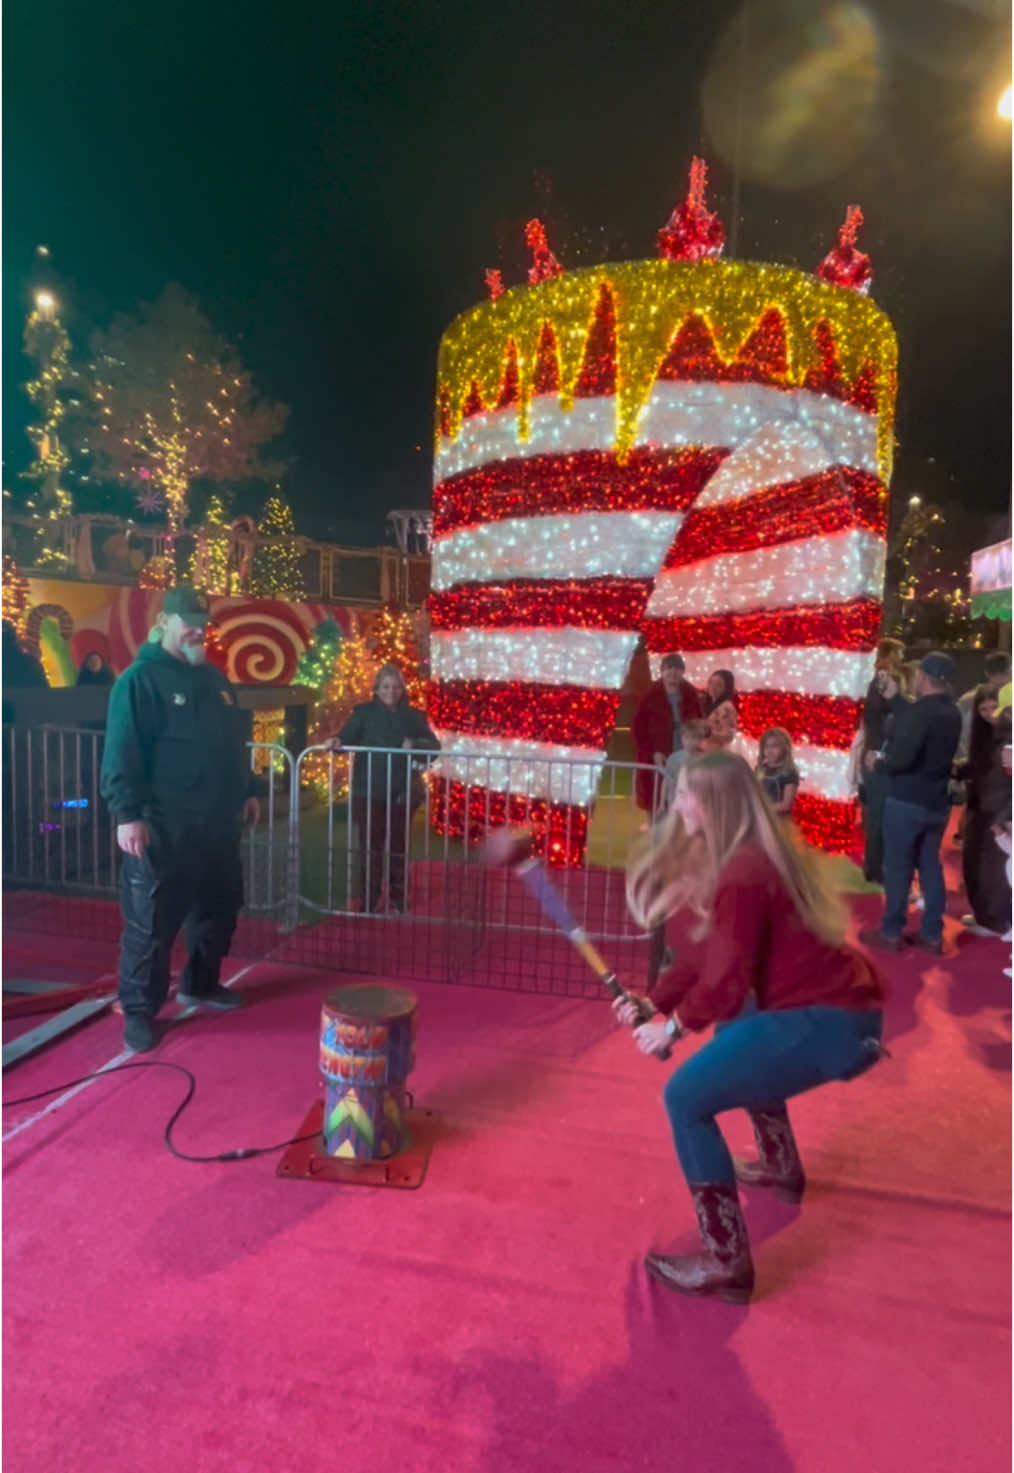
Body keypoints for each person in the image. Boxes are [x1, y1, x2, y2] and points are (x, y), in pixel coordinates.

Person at [615, 752, 884, 1304]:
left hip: (828, 1021)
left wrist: (672, 1030)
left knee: (686, 1098)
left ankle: (725, 1261)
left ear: (714, 802)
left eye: (688, 792)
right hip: (842, 1012)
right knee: (735, 1030)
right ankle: (781, 1166)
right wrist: (655, 1003)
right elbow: (706, 959)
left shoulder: (741, 870)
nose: (678, 801)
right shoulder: (742, 856)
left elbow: (728, 979)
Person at [100, 587, 262, 1053]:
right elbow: (121, 753)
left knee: (220, 908)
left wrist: (247, 791)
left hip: (217, 824)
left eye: (203, 621)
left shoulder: (215, 681)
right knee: (150, 925)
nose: (198, 629)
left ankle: (201, 983)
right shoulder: (139, 681)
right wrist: (127, 815)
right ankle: (139, 1011)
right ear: (165, 620)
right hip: (163, 826)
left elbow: (235, 746)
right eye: (189, 620)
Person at [859, 652, 962, 955]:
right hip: (936, 803)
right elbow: (919, 719)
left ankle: (891, 931)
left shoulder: (921, 714)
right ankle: (932, 934)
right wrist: (896, 698)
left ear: (922, 677)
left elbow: (902, 758)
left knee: (899, 868)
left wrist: (878, 763)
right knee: (930, 865)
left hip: (906, 801)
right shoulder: (951, 712)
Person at [330, 664, 439, 913]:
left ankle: (399, 899)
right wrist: (337, 742)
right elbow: (346, 736)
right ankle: (369, 900)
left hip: (402, 792)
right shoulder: (364, 714)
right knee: (370, 847)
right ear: (377, 689)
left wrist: (416, 743)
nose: (391, 691)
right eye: (386, 687)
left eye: (396, 686)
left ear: (402, 689)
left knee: (398, 847)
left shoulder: (413, 717)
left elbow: (434, 747)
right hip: (369, 791)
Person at [959, 687, 1013, 938]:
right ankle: (985, 913)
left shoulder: (1006, 738)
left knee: (996, 870)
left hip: (1000, 813)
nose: (991, 714)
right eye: (984, 710)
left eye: (995, 708)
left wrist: (1005, 817)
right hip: (982, 808)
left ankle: (996, 921)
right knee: (976, 864)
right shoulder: (989, 736)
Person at [858, 638, 909, 883]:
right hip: (879, 754)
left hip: (874, 751)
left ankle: (875, 866)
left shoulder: (874, 677)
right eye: (900, 653)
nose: (902, 658)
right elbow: (883, 718)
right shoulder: (883, 678)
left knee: (877, 814)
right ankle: (876, 869)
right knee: (880, 815)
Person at [631, 654, 703, 815]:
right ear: (662, 671)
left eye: (677, 668)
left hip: (686, 750)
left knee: (687, 795)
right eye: (669, 668)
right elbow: (638, 728)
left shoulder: (690, 693)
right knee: (658, 801)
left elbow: (699, 721)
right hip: (659, 754)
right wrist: (652, 752)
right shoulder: (650, 695)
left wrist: (697, 744)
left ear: (682, 672)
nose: (673, 673)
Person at [662, 717, 710, 808]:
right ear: (682, 737)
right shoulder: (674, 758)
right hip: (675, 803)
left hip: (697, 805)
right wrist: (661, 803)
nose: (689, 742)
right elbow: (666, 781)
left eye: (693, 738)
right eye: (686, 737)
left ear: (700, 740)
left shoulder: (705, 759)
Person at [755, 727, 799, 817]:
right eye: (766, 747)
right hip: (760, 818)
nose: (769, 751)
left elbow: (786, 805)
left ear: (785, 748)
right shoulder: (760, 769)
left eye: (774, 746)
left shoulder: (789, 772)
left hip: (778, 820)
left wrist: (762, 809)